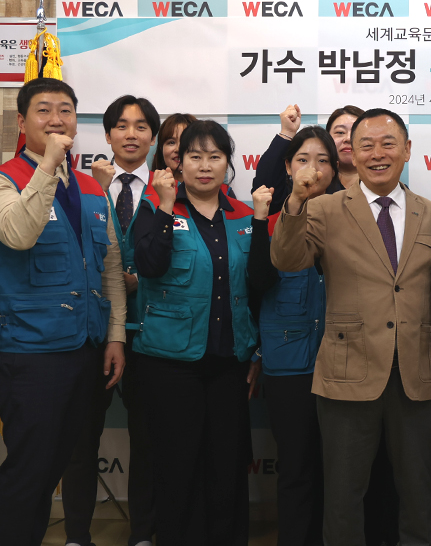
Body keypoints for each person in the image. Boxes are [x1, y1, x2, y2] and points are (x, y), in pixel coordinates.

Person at [271, 108, 431, 546]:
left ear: (407, 150)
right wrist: (294, 202)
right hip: (347, 372)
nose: (378, 154)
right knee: (343, 496)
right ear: (351, 155)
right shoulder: (323, 208)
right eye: (366, 146)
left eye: (388, 143)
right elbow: (287, 259)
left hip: (416, 371)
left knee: (418, 493)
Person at [0, 77, 128, 546]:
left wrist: (116, 335)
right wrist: (46, 167)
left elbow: (111, 267)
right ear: (23, 123)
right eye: (44, 110)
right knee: (31, 469)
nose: (56, 119)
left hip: (85, 346)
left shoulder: (91, 188)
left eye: (66, 110)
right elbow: (19, 233)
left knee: (61, 462)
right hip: (29, 351)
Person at [130, 120, 261, 545]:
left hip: (229, 361)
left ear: (228, 164)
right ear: (178, 162)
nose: (205, 166)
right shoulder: (155, 206)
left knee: (227, 465)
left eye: (214, 157)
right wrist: (167, 206)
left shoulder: (243, 215)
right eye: (195, 156)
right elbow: (148, 266)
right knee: (177, 467)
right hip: (170, 363)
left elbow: (258, 286)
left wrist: (256, 352)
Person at [61, 95, 160, 546]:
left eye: (141, 126)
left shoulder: (170, 189)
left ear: (153, 137)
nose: (131, 134)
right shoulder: (82, 188)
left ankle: (143, 533)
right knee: (82, 439)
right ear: (106, 135)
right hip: (95, 331)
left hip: (156, 333)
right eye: (121, 125)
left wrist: (143, 279)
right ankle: (76, 534)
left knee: (149, 440)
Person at [248, 126, 339, 546]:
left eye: (323, 161)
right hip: (287, 361)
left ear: (334, 169)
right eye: (303, 159)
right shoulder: (269, 220)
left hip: (341, 360)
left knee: (341, 471)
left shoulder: (351, 218)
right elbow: (257, 284)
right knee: (295, 467)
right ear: (288, 166)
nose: (313, 170)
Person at [254, 104, 362, 215]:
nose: (348, 138)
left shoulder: (369, 190)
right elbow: (265, 187)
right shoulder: (294, 191)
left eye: (356, 133)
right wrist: (287, 132)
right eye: (340, 132)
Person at [151, 112, 197, 180]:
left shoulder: (212, 184)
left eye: (186, 142)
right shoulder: (148, 183)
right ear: (161, 148)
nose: (178, 149)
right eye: (171, 142)